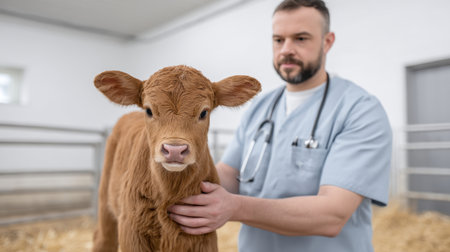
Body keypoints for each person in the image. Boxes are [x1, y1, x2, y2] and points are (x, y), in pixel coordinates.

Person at [167, 0, 392, 251]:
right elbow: (226, 176)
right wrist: (174, 177)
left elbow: (332, 215)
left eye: (301, 39)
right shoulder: (260, 107)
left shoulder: (359, 110)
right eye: (278, 40)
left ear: (327, 42)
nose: (286, 49)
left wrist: (235, 206)